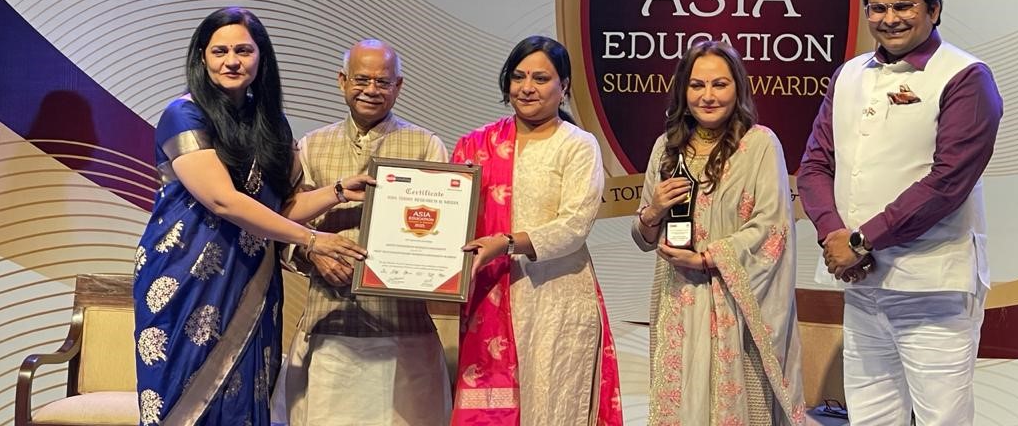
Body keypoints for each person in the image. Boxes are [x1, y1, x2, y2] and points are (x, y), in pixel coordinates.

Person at [133, 7, 371, 426]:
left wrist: (335, 193)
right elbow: (223, 201)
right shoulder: (184, 115)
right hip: (186, 279)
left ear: (261, 57)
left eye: (243, 50)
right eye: (220, 51)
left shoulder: (273, 125)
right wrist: (313, 240)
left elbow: (277, 211)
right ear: (202, 57)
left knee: (247, 397)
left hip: (251, 278)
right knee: (182, 400)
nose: (231, 61)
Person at [798, 0, 1002, 426]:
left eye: (904, 6)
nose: (889, 19)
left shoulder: (966, 76)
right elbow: (814, 166)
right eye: (878, 8)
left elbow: (947, 182)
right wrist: (835, 236)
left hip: (933, 287)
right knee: (871, 417)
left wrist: (861, 241)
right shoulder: (849, 74)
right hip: (862, 284)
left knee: (941, 420)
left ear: (934, 9)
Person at [632, 39, 805, 425]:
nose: (707, 96)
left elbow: (772, 227)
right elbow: (643, 237)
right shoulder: (666, 147)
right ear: (683, 90)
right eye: (697, 85)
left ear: (737, 88)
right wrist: (653, 212)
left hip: (736, 300)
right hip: (677, 297)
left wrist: (708, 259)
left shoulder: (759, 144)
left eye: (719, 84)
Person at [453, 36, 622, 426]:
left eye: (541, 78)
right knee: (486, 412)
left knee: (550, 411)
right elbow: (452, 214)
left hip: (556, 301)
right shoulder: (475, 145)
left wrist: (505, 243)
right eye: (518, 77)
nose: (527, 87)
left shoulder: (577, 145)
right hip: (489, 296)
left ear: (564, 86)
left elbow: (574, 225)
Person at [282, 39, 452, 426]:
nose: (371, 90)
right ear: (342, 81)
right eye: (361, 79)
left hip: (404, 329)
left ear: (398, 86)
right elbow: (283, 227)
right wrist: (312, 252)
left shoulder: (426, 146)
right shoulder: (310, 146)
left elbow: (443, 233)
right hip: (329, 322)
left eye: (383, 81)